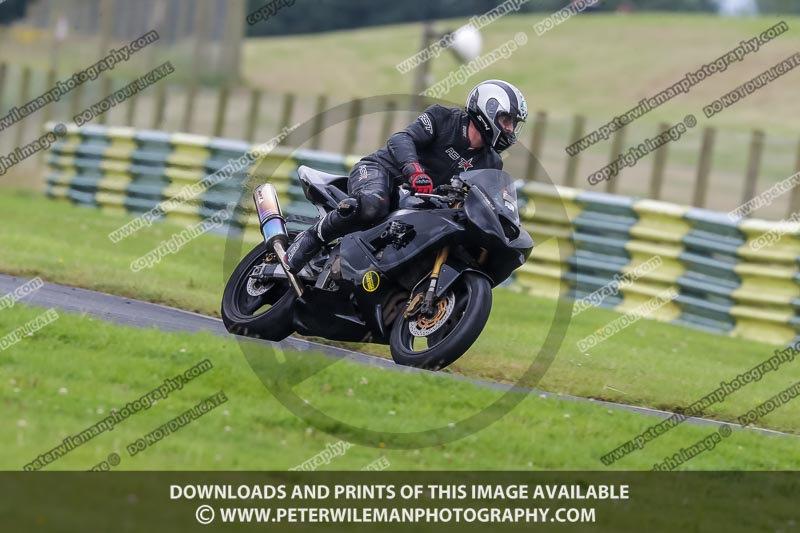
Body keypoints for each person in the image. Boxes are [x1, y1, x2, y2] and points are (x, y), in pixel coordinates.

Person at [285, 79, 528, 273]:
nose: (510, 129)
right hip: (380, 171)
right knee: (372, 205)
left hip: (421, 204)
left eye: (513, 123)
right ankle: (311, 238)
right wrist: (414, 171)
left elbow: (484, 198)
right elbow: (401, 139)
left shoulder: (491, 162)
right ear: (487, 110)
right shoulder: (442, 118)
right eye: (506, 120)